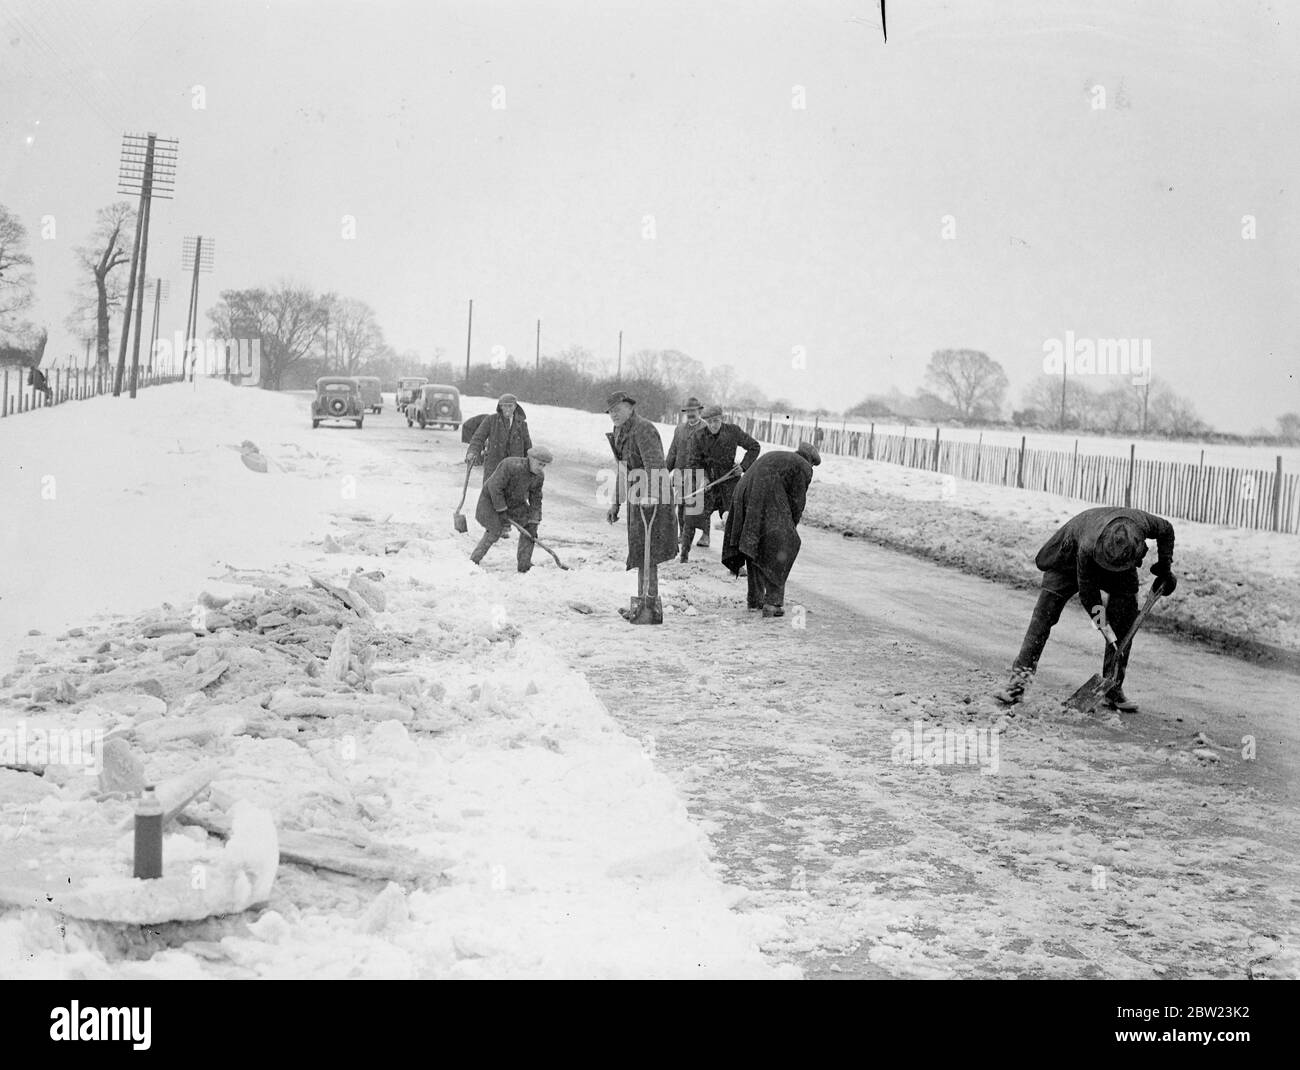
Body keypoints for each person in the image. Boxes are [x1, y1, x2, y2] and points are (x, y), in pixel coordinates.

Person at [993, 506, 1177, 711]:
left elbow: (1167, 530)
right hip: (1068, 559)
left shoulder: (1143, 523)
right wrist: (1105, 628)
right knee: (1043, 617)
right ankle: (1018, 684)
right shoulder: (1087, 548)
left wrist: (1165, 567)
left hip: (1119, 565)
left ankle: (1113, 687)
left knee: (1125, 616)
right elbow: (1089, 597)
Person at [722, 441, 819, 617]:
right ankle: (773, 602)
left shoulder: (780, 456)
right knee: (784, 545)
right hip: (762, 496)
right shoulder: (803, 466)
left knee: (753, 544)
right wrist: (791, 527)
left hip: (743, 493)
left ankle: (755, 600)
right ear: (811, 461)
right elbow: (797, 502)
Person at [605, 390, 678, 622]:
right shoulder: (620, 432)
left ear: (629, 407)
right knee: (640, 550)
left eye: (618, 409)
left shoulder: (643, 429)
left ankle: (650, 605)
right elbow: (623, 470)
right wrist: (616, 503)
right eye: (611, 412)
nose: (614, 415)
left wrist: (652, 496)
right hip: (638, 498)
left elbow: (655, 466)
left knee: (651, 551)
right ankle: (642, 603)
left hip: (653, 499)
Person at [682, 404, 760, 561]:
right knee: (691, 517)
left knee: (733, 522)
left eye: (716, 421)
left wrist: (743, 466)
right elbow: (693, 462)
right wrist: (703, 477)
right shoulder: (698, 436)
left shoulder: (733, 431)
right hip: (706, 484)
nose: (713, 425)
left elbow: (754, 447)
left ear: (722, 419)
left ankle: (734, 564)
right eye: (709, 422)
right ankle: (684, 555)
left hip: (729, 482)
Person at [470, 446, 552, 571]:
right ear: (530, 458)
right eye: (539, 464)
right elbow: (494, 488)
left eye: (544, 465)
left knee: (530, 529)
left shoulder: (538, 476)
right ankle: (474, 560)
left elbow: (536, 498)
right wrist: (501, 510)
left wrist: (535, 518)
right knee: (495, 529)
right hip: (491, 501)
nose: (541, 468)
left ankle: (524, 565)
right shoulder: (511, 465)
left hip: (514, 503)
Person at [466, 393, 532, 537]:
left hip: (514, 467)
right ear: (500, 407)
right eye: (504, 406)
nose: (507, 409)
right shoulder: (491, 421)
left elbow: (528, 447)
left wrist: (531, 463)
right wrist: (472, 452)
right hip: (494, 466)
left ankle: (505, 526)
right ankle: (492, 525)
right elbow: (478, 438)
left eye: (510, 406)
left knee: (510, 495)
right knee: (491, 494)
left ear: (515, 407)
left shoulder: (521, 424)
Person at [665, 396, 705, 558]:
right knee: (681, 505)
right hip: (681, 472)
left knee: (695, 509)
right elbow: (673, 451)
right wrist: (665, 470)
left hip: (697, 474)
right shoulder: (679, 429)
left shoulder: (706, 428)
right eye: (688, 411)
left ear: (700, 411)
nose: (691, 414)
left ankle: (704, 535)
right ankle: (682, 534)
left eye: (693, 411)